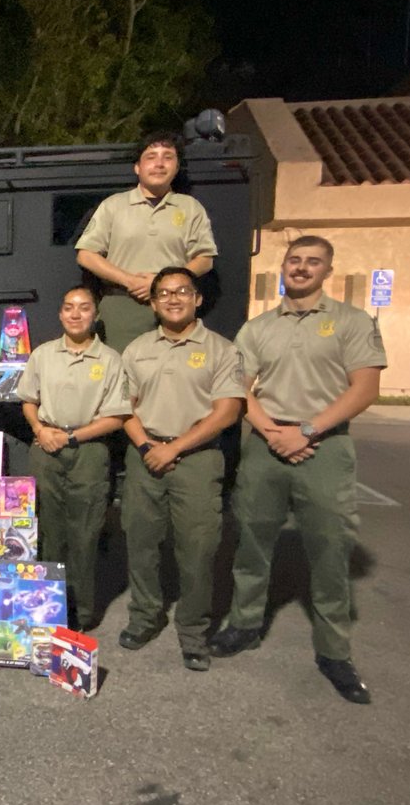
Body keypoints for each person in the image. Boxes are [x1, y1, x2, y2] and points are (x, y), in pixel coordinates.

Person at [209, 236, 386, 704]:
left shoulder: (350, 322)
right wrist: (271, 431)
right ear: (283, 266)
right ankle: (245, 625)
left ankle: (334, 651)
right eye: (295, 260)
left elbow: (364, 388)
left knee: (330, 550)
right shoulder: (259, 327)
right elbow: (239, 387)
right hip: (267, 445)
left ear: (328, 270)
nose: (302, 268)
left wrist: (306, 430)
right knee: (252, 542)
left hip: (324, 446)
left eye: (313, 262)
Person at [119, 267, 244, 671]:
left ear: (198, 299)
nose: (173, 299)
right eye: (164, 294)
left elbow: (227, 411)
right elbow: (125, 407)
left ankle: (193, 632)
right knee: (141, 543)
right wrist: (146, 445)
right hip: (146, 453)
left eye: (182, 292)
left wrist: (175, 447)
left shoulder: (220, 350)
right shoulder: (137, 349)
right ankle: (144, 618)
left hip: (198, 458)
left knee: (198, 550)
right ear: (153, 303)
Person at [17, 286, 131, 631]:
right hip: (46, 446)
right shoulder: (44, 354)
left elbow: (117, 417)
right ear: (60, 313)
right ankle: (49, 609)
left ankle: (80, 615)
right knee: (48, 530)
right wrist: (39, 429)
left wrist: (69, 436)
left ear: (95, 314)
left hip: (89, 449)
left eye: (84, 308)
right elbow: (28, 399)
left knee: (84, 534)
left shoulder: (109, 359)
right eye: (69, 308)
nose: (76, 314)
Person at [76, 131, 218, 353]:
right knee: (122, 377)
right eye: (151, 156)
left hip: (174, 305)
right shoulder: (113, 205)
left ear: (177, 167)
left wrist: (161, 283)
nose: (159, 164)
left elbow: (205, 259)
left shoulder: (190, 208)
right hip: (123, 305)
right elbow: (86, 255)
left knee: (173, 376)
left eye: (168, 157)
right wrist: (130, 281)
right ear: (137, 167)